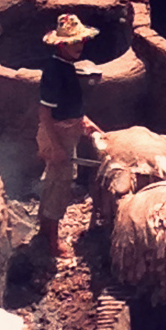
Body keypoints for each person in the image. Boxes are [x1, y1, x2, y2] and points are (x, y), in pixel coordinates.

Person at [36, 13, 103, 259]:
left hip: (68, 130)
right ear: (61, 45)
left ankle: (45, 231)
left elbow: (70, 104)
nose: (79, 46)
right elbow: (45, 113)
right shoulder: (54, 72)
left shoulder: (66, 67)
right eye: (73, 42)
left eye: (80, 41)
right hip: (57, 134)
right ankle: (53, 243)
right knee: (59, 186)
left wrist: (85, 122)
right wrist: (57, 147)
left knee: (55, 181)